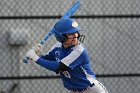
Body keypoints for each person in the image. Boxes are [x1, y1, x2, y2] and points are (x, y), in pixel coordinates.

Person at [26, 18, 108, 93]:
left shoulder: (79, 51)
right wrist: (37, 53)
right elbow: (47, 60)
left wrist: (35, 58)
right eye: (71, 34)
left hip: (91, 90)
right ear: (61, 37)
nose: (75, 36)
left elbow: (59, 67)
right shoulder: (57, 47)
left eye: (75, 32)